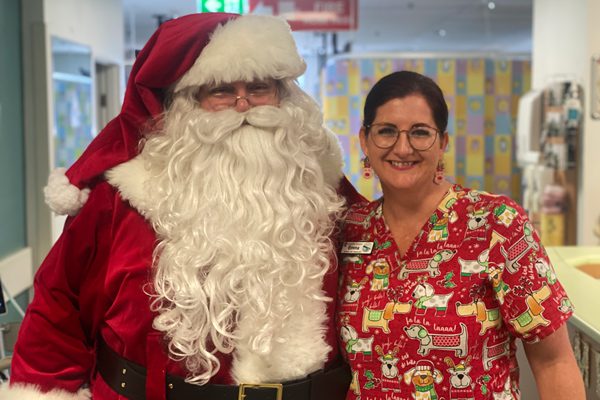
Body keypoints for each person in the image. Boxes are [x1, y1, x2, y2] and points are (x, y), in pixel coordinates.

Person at [3, 13, 363, 400]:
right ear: (185, 104)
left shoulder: (321, 189)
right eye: (220, 90)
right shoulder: (118, 199)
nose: (243, 106)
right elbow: (58, 312)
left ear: (283, 95)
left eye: (259, 87)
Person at [336, 71, 585, 399]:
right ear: (365, 140)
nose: (403, 146)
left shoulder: (496, 224)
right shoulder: (350, 229)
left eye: (420, 132)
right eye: (386, 131)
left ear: (443, 143)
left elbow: (554, 362)